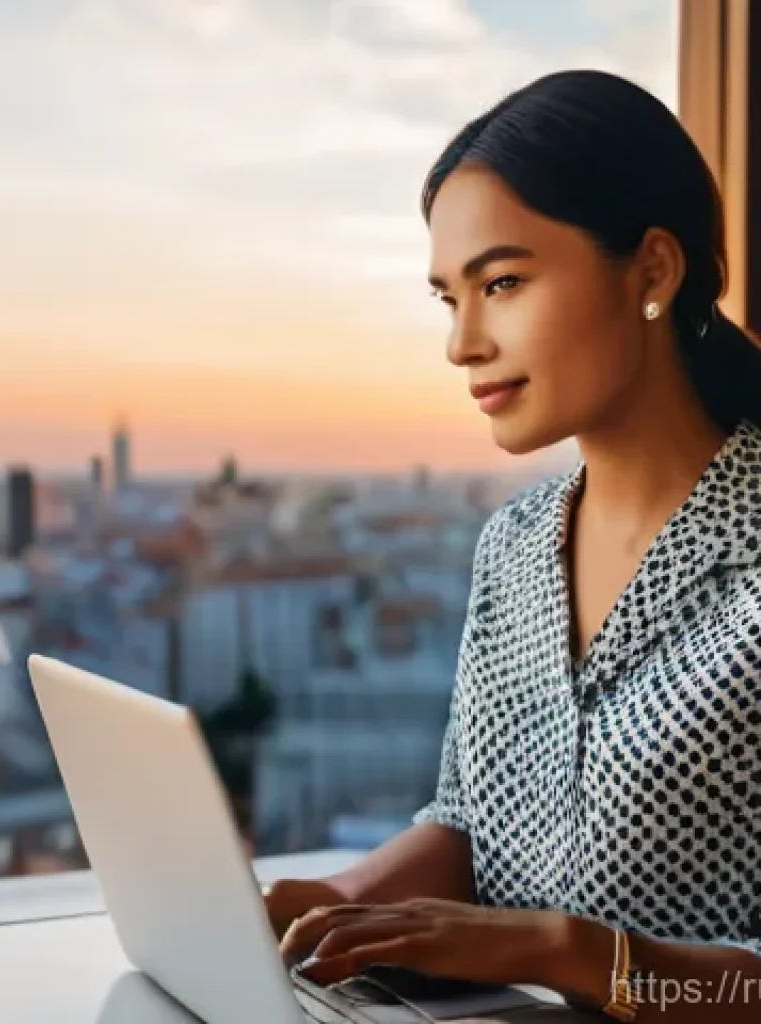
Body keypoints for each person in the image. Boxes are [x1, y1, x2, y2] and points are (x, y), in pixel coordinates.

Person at [264, 69, 761, 1023]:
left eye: (501, 283)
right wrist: (343, 902)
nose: (462, 342)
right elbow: (465, 821)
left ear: (654, 272)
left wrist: (573, 953)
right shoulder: (516, 547)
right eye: (449, 298)